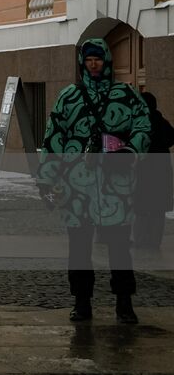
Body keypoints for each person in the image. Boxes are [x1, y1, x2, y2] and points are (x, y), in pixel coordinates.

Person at [37, 38, 151, 324]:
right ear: (82, 62)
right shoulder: (69, 97)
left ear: (107, 60)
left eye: (98, 58)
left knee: (119, 247)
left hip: (116, 185)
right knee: (79, 247)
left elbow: (143, 125)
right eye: (88, 59)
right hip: (77, 188)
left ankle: (124, 303)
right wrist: (47, 180)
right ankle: (81, 302)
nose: (93, 64)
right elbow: (53, 138)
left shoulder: (125, 95)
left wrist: (130, 152)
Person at [134, 91, 174, 250]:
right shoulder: (161, 121)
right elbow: (172, 138)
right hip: (160, 170)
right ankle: (154, 241)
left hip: (143, 169)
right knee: (157, 209)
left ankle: (141, 239)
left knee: (141, 207)